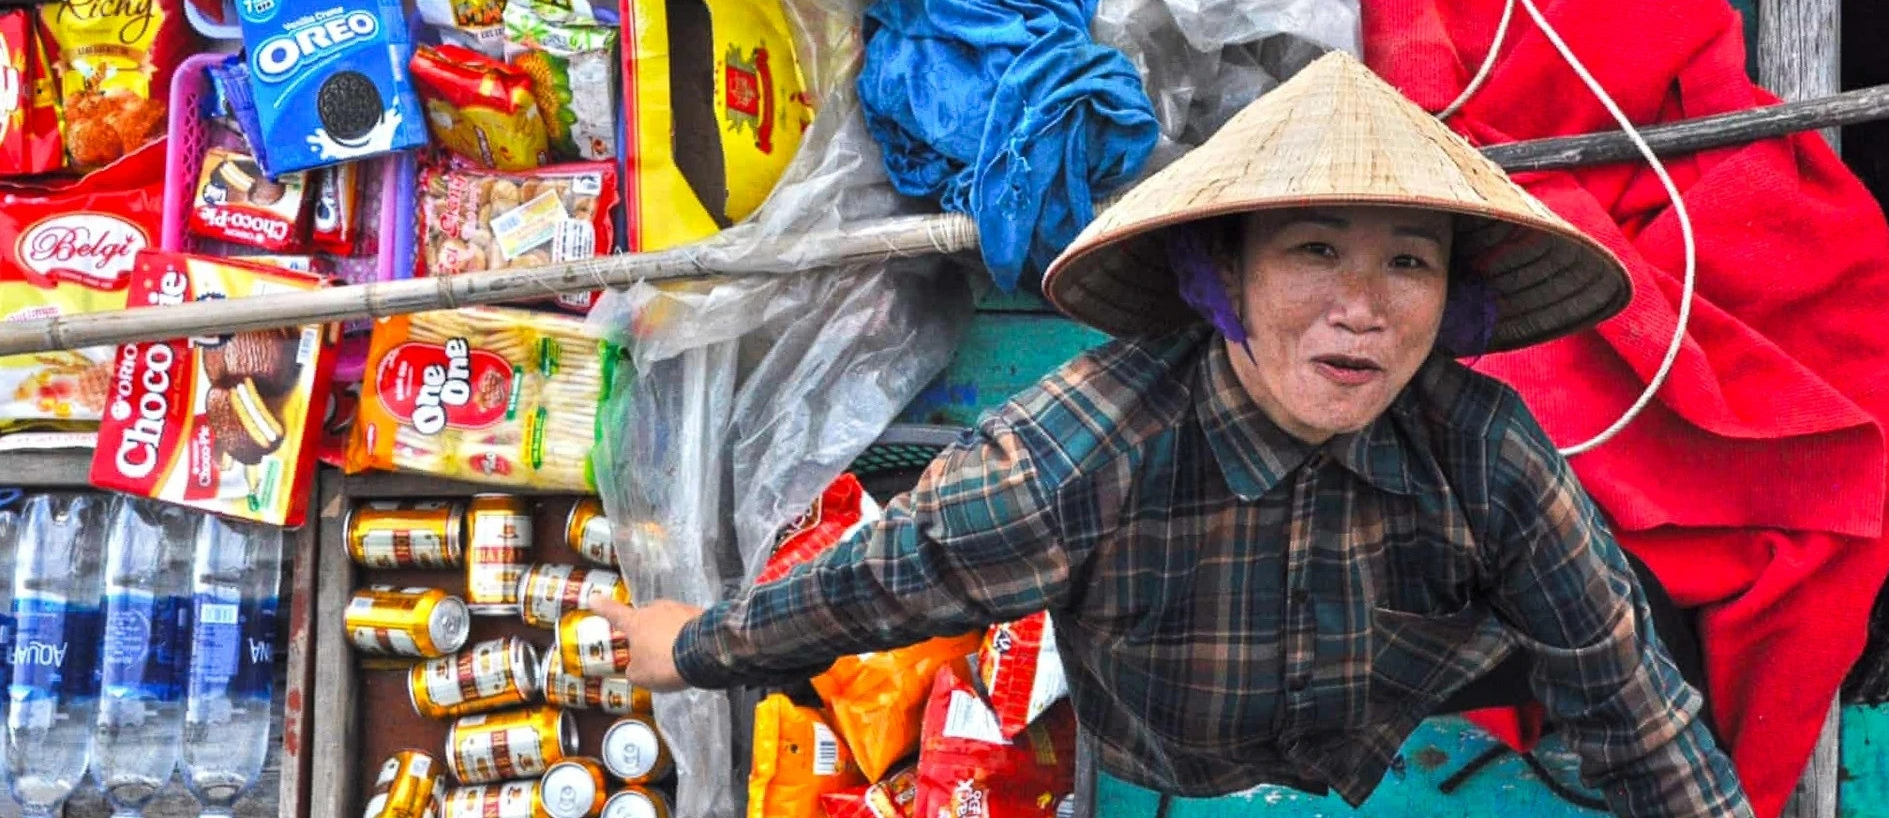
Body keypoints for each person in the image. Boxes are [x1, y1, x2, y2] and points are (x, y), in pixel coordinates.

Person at [590, 50, 1752, 818]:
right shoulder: (1072, 457)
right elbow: (884, 584)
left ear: (1454, 299)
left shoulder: (1488, 449)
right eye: (1313, 250)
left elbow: (1631, 698)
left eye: (1409, 259)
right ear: (1218, 276)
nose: (1364, 306)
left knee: (1645, 629)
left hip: (1395, 691)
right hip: (1170, 738)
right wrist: (688, 642)